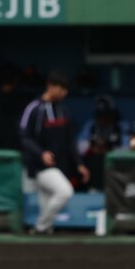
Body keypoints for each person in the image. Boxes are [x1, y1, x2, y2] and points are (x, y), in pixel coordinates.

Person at [19, 72, 83, 234]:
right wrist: (41, 154)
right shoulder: (34, 108)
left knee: (47, 210)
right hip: (40, 166)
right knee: (65, 192)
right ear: (51, 86)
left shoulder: (63, 109)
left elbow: (70, 141)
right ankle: (40, 227)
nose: (65, 93)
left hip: (60, 165)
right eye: (62, 89)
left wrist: (80, 164)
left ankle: (43, 232)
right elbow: (24, 137)